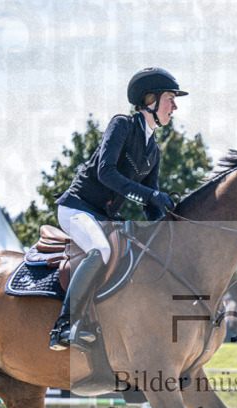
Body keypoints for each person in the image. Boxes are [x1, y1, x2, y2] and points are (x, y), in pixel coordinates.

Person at [49, 67, 186, 351]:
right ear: (151, 100)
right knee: (102, 250)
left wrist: (167, 227)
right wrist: (151, 194)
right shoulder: (122, 124)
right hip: (77, 208)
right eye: (170, 98)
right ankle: (64, 325)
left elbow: (151, 203)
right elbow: (105, 172)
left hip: (104, 217)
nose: (175, 106)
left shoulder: (153, 151)